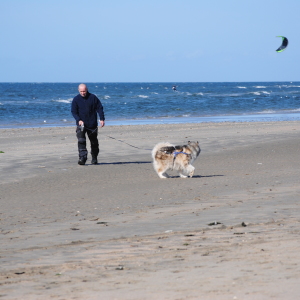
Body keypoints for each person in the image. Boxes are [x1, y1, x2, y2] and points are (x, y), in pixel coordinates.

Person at [71, 83, 105, 165]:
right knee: (81, 141)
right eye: (81, 91)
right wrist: (78, 120)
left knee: (94, 142)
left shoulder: (93, 97)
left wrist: (102, 119)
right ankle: (82, 158)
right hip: (81, 125)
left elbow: (100, 108)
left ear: (87, 90)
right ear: (78, 90)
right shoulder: (76, 99)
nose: (83, 93)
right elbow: (74, 111)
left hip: (92, 123)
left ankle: (94, 158)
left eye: (84, 91)